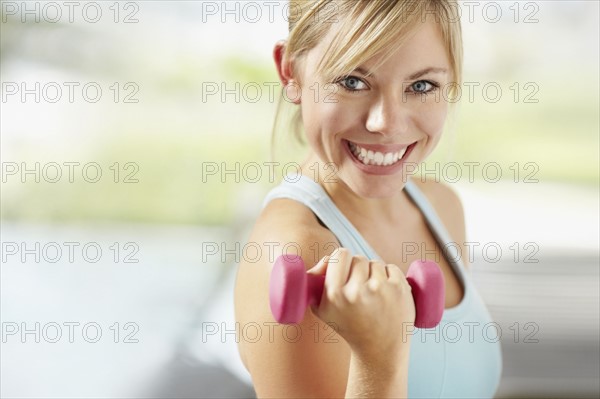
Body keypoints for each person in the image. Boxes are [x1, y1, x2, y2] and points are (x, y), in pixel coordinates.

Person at [234, 1, 502, 397]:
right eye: (352, 81)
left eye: (421, 86)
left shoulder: (441, 205)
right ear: (290, 71)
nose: (386, 123)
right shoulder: (294, 251)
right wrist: (379, 358)